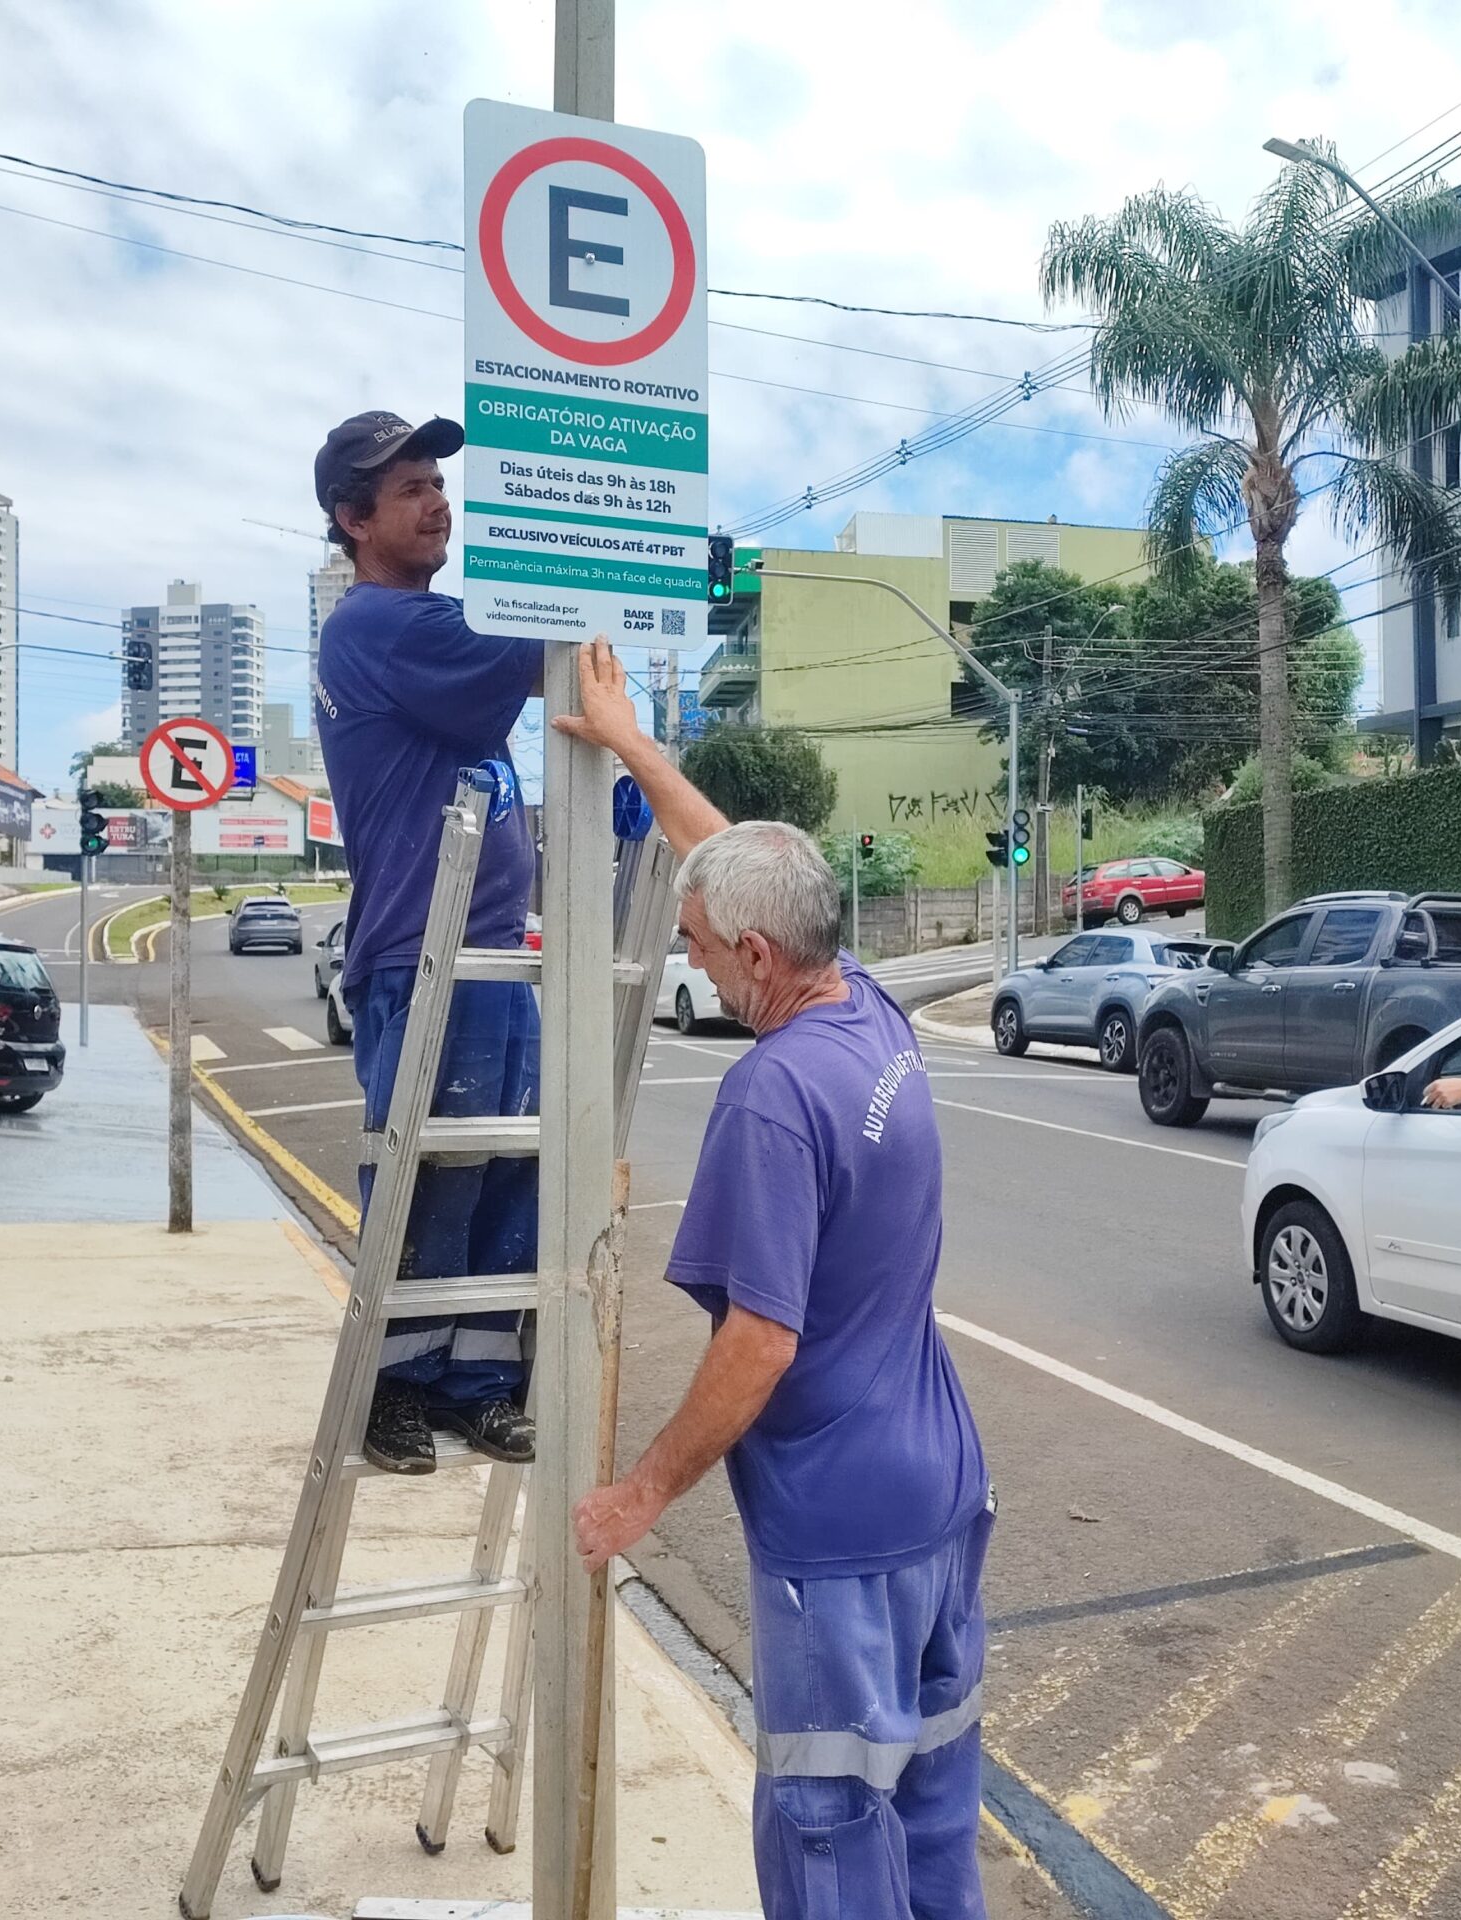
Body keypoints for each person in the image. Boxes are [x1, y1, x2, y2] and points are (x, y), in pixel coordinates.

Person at [554, 640, 993, 1920]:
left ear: (753, 955)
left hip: (839, 1533)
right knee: (927, 1788)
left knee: (825, 1819)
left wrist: (639, 1493)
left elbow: (759, 1343)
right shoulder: (864, 1011)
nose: (688, 963)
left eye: (695, 948)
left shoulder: (773, 1096)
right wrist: (635, 749)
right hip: (943, 1487)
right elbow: (736, 856)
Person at [311, 409, 544, 1474]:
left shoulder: (435, 634)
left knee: (502, 1174)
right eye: (407, 489)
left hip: (491, 954)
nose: (436, 501)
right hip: (421, 953)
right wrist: (583, 562)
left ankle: (480, 1386)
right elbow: (526, 640)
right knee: (427, 1183)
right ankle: (396, 1388)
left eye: (436, 484)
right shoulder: (375, 628)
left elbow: (531, 657)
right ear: (353, 521)